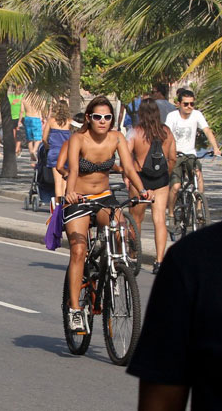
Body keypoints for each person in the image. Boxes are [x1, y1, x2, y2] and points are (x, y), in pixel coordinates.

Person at [63, 96, 154, 332]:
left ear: (112, 119)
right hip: (79, 199)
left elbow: (130, 168)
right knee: (79, 251)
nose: (102, 121)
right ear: (88, 118)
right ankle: (74, 309)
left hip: (103, 198)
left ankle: (114, 269)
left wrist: (143, 191)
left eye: (107, 117)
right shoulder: (78, 139)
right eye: (97, 117)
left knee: (119, 227)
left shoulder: (117, 138)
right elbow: (72, 170)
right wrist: (70, 193)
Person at [126, 220, 222, 410]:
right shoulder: (194, 259)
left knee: (155, 215)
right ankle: (75, 307)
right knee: (79, 251)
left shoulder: (192, 257)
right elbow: (161, 400)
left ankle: (154, 257)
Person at [126, 99, 176, 274]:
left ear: (141, 113)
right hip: (160, 180)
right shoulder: (166, 132)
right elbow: (172, 158)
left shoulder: (135, 132)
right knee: (159, 220)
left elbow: (126, 158)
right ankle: (159, 260)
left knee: (135, 220)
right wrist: (165, 174)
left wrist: (128, 176)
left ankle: (134, 254)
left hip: (140, 179)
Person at [165, 89, 221, 231]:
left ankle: (199, 207)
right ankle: (171, 214)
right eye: (186, 104)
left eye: (192, 104)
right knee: (176, 187)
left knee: (198, 175)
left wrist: (216, 148)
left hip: (190, 154)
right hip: (175, 154)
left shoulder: (197, 115)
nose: (190, 107)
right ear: (179, 104)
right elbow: (166, 136)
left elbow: (207, 130)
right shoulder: (172, 117)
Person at [42, 100, 72, 202]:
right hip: (67, 153)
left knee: (58, 182)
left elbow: (44, 138)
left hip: (54, 152)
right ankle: (65, 204)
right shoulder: (70, 122)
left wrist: (47, 146)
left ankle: (58, 205)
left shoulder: (51, 121)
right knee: (66, 179)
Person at [22, 97, 44, 161]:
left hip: (28, 118)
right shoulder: (39, 99)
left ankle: (31, 154)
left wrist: (19, 120)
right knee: (38, 138)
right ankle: (33, 151)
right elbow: (42, 109)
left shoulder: (24, 99)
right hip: (36, 118)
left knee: (29, 139)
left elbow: (22, 111)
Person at [8, 87, 24, 155]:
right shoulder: (10, 96)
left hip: (21, 117)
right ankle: (18, 148)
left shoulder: (23, 96)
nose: (19, 90)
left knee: (19, 134)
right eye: (17, 88)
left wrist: (20, 121)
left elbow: (22, 110)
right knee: (14, 135)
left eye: (20, 88)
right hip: (12, 117)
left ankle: (16, 150)